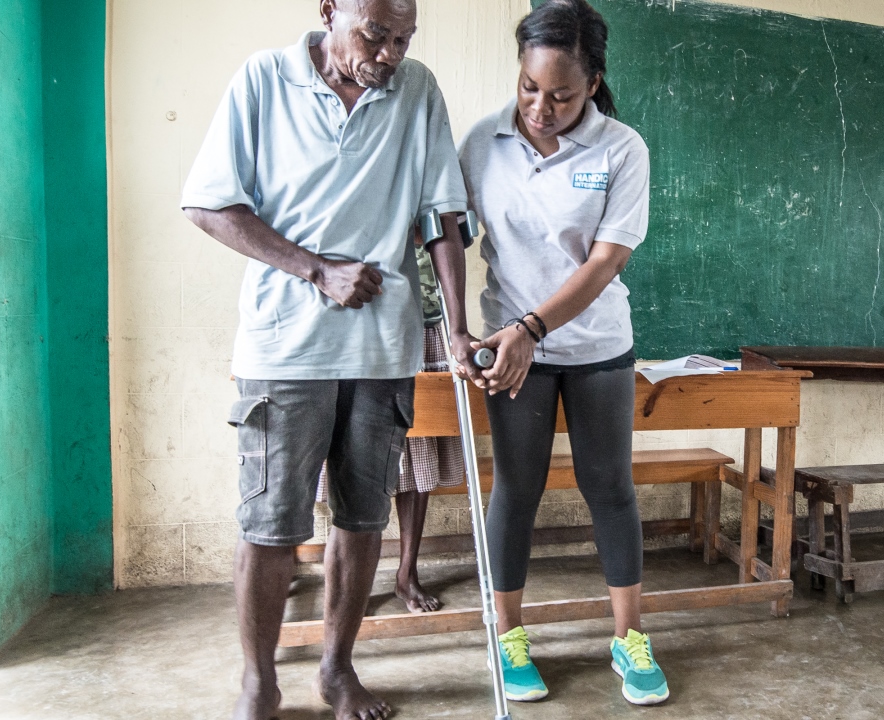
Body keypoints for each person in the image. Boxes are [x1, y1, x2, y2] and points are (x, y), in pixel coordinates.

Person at [180, 1, 478, 718]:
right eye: (376, 33)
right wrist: (316, 270)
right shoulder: (263, 80)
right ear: (329, 10)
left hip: (382, 349)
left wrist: (461, 327)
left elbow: (442, 215)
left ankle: (338, 670)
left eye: (404, 37)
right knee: (271, 522)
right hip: (284, 345)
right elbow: (209, 204)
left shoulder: (417, 91)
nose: (391, 52)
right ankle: (260, 680)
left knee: (363, 517)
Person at [457, 0, 668, 707]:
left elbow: (605, 263)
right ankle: (509, 638)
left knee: (609, 486)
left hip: (596, 344)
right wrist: (457, 325)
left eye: (561, 95)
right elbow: (446, 240)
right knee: (515, 490)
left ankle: (630, 638)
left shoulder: (622, 150)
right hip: (508, 350)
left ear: (594, 83)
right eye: (528, 88)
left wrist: (532, 326)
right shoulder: (482, 142)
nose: (540, 108)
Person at [315, 234, 465, 614]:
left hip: (424, 321)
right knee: (351, 455)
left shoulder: (436, 183)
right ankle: (352, 578)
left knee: (420, 450)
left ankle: (406, 573)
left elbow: (454, 237)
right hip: (351, 320)